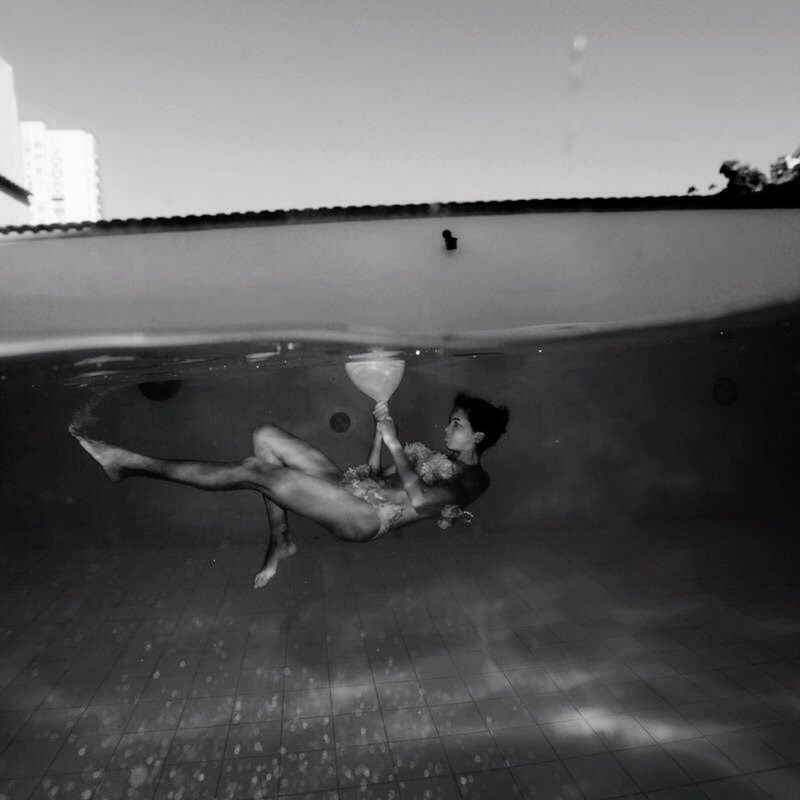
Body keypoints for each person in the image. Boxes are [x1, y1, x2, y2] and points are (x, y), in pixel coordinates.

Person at [69, 392, 509, 588]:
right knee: (265, 438)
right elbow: (377, 477)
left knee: (254, 472)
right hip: (354, 491)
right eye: (450, 420)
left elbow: (419, 501)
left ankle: (129, 464)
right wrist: (379, 434)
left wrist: (394, 441)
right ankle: (281, 539)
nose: (447, 427)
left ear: (479, 438)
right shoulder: (441, 457)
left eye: (457, 424)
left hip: (363, 520)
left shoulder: (474, 480)